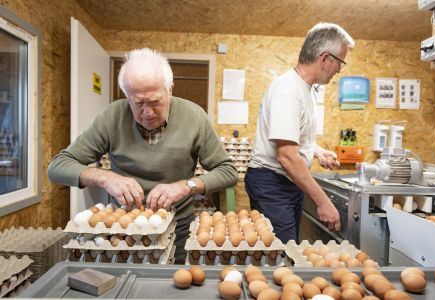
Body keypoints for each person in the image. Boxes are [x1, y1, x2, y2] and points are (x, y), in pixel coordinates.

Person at [48, 48, 238, 263]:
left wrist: (186, 186)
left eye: (155, 101)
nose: (147, 112)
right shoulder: (112, 116)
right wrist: (105, 177)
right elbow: (58, 166)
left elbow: (228, 171)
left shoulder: (194, 117)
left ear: (170, 90)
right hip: (123, 230)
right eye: (138, 103)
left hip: (177, 226)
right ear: (126, 96)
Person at [245, 22, 354, 244]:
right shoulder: (288, 91)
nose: (340, 70)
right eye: (340, 62)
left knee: (288, 248)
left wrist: (318, 152)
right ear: (325, 59)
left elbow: (294, 138)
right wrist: (323, 202)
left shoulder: (305, 89)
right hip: (272, 183)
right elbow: (286, 156)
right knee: (280, 254)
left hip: (285, 181)